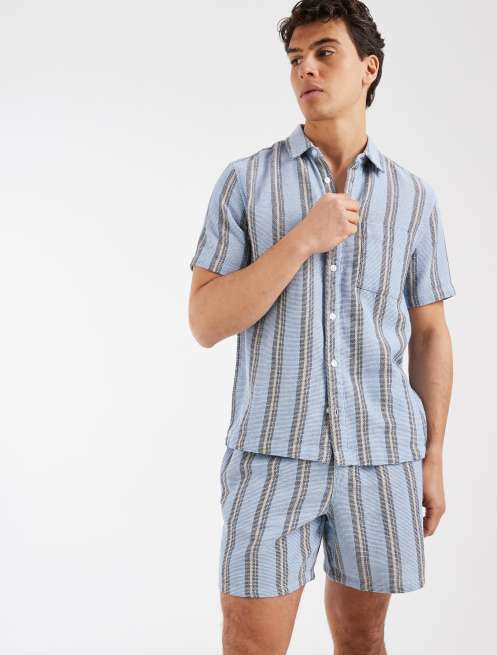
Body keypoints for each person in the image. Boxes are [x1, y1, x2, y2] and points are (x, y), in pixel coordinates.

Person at [188, 1, 456, 653]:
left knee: (362, 637)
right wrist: (302, 239)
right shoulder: (245, 182)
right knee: (250, 643)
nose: (305, 69)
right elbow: (204, 320)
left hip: (380, 457)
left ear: (369, 68)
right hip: (270, 455)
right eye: (295, 59)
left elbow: (429, 334)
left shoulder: (413, 198)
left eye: (324, 53)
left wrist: (432, 457)